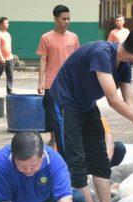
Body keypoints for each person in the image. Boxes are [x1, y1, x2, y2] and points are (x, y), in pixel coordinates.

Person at [49, 26, 133, 202]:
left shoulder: (124, 64)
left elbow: (130, 101)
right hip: (65, 104)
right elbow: (113, 99)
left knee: (100, 160)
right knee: (77, 163)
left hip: (87, 105)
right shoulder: (102, 53)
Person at [37, 5, 79, 146]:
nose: (66, 21)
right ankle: (54, 137)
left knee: (68, 114)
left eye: (68, 19)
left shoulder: (73, 37)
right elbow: (43, 59)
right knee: (53, 115)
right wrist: (41, 81)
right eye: (63, 19)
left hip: (70, 83)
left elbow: (77, 60)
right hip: (51, 83)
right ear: (55, 19)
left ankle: (67, 140)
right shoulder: (46, 38)